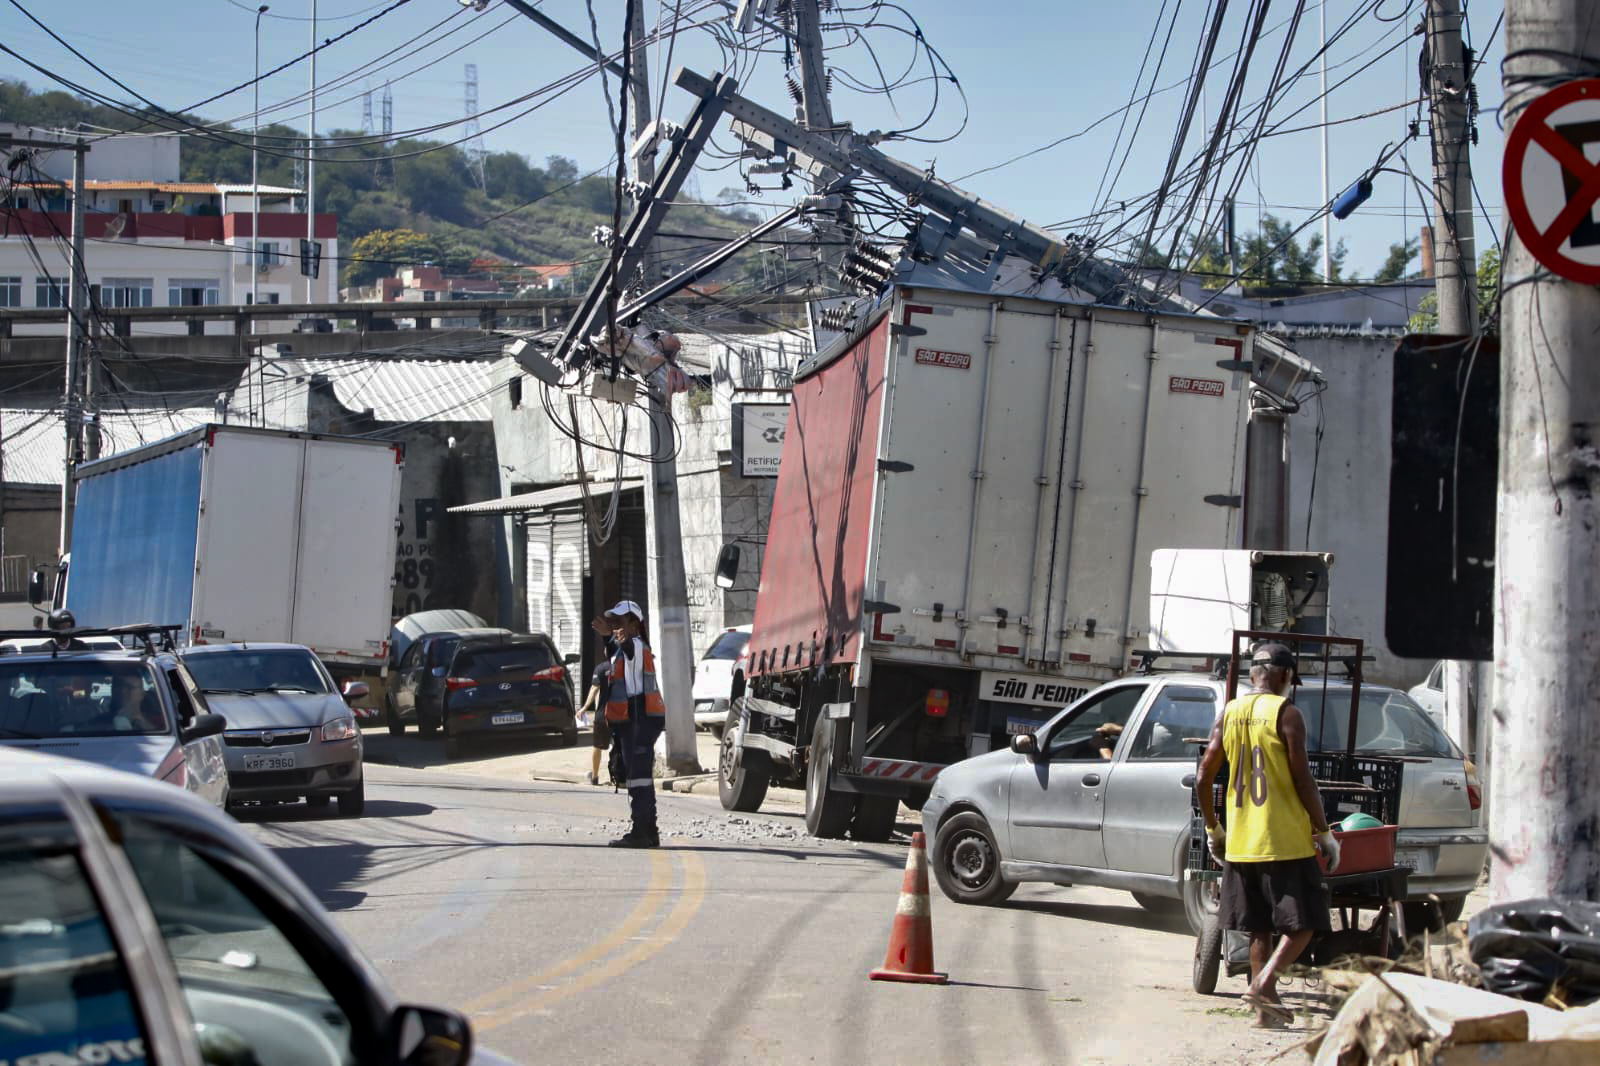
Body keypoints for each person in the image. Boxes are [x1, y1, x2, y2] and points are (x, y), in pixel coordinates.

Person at [1197, 642, 1342, 1029]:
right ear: (1286, 675)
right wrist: (1325, 831)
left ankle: (1265, 1013)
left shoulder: (1229, 712)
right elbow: (1303, 779)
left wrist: (1214, 828)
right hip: (1283, 840)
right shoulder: (1287, 713)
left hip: (1242, 843)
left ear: (1251, 675)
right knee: (1307, 920)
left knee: (1259, 927)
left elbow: (1202, 777)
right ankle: (1264, 983)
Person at [601, 600, 666, 848]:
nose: (616, 624)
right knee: (638, 776)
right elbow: (616, 654)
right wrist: (608, 638)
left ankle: (642, 832)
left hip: (640, 715)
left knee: (638, 778)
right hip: (635, 717)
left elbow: (628, 649)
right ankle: (648, 832)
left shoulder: (636, 645)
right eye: (614, 620)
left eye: (620, 620)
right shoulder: (625, 647)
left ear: (634, 623)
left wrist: (621, 640)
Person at [581, 661, 613, 786]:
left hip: (603, 713)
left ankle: (594, 777)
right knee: (621, 745)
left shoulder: (601, 668)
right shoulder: (626, 664)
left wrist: (584, 707)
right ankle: (621, 777)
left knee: (597, 746)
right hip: (623, 713)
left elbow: (594, 689)